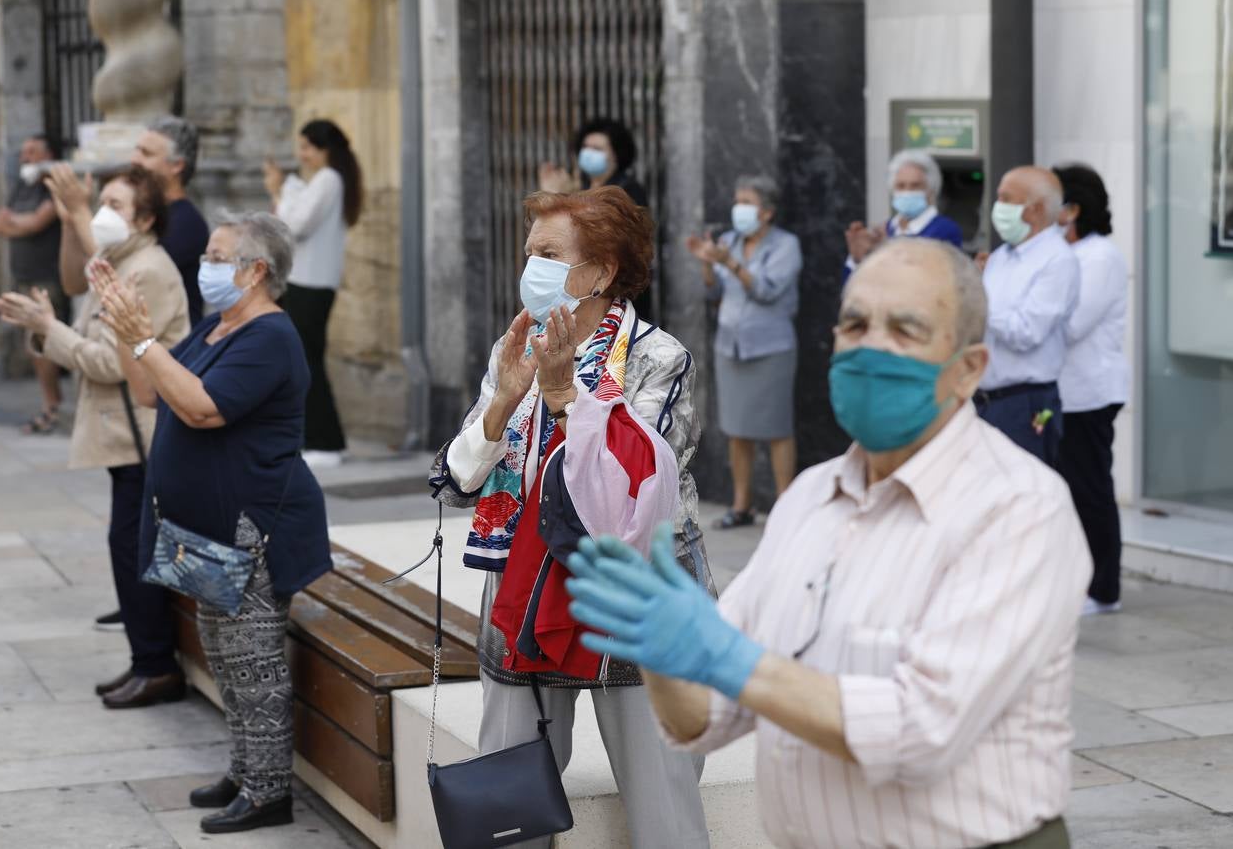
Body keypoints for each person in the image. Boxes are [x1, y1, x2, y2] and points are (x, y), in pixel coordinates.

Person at [566, 237, 1092, 849]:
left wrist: (732, 661)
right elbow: (705, 717)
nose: (873, 346)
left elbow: (921, 731)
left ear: (970, 368)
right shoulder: (812, 497)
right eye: (856, 323)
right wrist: (660, 652)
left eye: (906, 329)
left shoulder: (1019, 508)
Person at [429, 186, 712, 848]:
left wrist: (562, 396)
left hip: (634, 596)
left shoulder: (657, 359)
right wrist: (504, 400)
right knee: (507, 803)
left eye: (550, 255)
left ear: (602, 272)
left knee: (663, 807)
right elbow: (454, 481)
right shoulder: (517, 344)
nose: (532, 269)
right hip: (524, 592)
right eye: (531, 253)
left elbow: (631, 492)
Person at [91, 211, 332, 835]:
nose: (206, 264)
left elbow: (201, 409)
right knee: (225, 654)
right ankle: (245, 769)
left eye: (219, 256)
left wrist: (145, 339)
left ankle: (268, 790)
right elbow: (150, 392)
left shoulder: (270, 337)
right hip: (205, 529)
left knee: (254, 661)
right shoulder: (220, 326)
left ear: (256, 271)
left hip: (254, 525)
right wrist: (124, 326)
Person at [0, 165, 190, 708]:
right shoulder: (119, 262)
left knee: (135, 548)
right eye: (99, 201)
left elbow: (110, 360)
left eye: (117, 205)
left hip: (142, 429)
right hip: (121, 430)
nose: (104, 213)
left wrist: (47, 329)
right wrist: (47, 319)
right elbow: (74, 292)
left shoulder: (146, 269)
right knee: (127, 546)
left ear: (146, 219)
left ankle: (155, 664)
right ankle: (143, 660)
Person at [685, 175, 803, 527]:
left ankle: (786, 506)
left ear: (767, 211)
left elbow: (767, 291)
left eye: (747, 202)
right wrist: (707, 261)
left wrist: (732, 264)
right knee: (737, 429)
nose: (740, 209)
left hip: (771, 346)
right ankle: (742, 504)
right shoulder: (729, 241)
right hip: (730, 346)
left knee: (777, 427)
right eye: (738, 201)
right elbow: (713, 292)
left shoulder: (786, 245)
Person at [263, 119, 363, 468]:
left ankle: (326, 442)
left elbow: (295, 225)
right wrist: (285, 189)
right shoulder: (325, 181)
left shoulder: (328, 180)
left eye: (307, 147)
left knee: (309, 362)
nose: (301, 154)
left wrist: (279, 189)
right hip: (307, 281)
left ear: (324, 150)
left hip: (311, 284)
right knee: (306, 360)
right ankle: (320, 438)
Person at [1053, 164, 1129, 616]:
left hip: (1089, 392)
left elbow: (1070, 323)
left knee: (1090, 488)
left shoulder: (1100, 257)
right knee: (1067, 489)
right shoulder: (1061, 253)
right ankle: (1076, 577)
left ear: (1074, 209)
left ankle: (1104, 588)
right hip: (1062, 391)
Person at [976, 165, 1081, 465]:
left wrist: (977, 299)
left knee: (1021, 499)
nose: (998, 208)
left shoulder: (1057, 261)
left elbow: (1026, 333)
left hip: (1024, 404)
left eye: (1006, 199)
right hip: (984, 400)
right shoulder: (1000, 257)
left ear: (1034, 210)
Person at [0, 134, 67, 434]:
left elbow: (39, 222)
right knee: (32, 346)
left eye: (32, 152)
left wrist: (17, 223)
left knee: (43, 345)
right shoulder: (22, 185)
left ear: (47, 155)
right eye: (24, 153)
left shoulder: (51, 186)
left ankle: (52, 407)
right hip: (22, 276)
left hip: (45, 279)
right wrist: (21, 223)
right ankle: (50, 402)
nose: (26, 159)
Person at [132, 115, 209, 324]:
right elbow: (76, 283)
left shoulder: (188, 224)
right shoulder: (142, 213)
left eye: (146, 153)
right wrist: (70, 222)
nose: (135, 160)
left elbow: (126, 275)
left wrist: (79, 212)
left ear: (176, 165)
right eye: (137, 150)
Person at [844, 149, 963, 281]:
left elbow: (924, 281)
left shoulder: (944, 230)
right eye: (901, 186)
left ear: (931, 190)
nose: (907, 192)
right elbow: (853, 289)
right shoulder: (885, 229)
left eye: (915, 186)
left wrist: (885, 250)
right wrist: (857, 259)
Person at [538, 117, 648, 208]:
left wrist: (564, 198)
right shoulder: (580, 184)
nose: (589, 153)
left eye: (597, 149)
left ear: (616, 155)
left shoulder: (628, 190)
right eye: (585, 147)